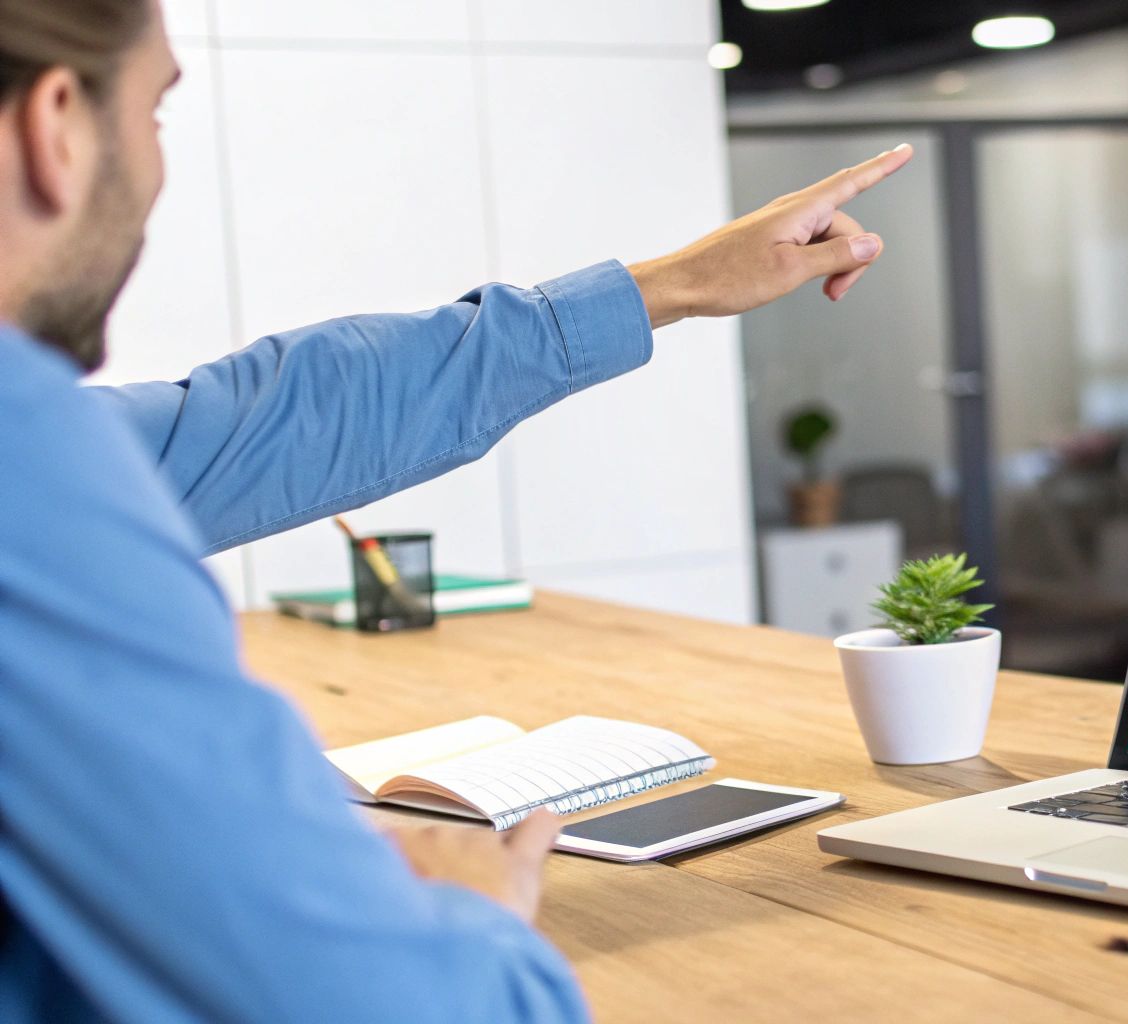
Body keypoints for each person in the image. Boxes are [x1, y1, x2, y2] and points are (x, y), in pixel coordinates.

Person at [0, 1, 910, 1020]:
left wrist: (677, 282)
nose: (156, 170)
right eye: (154, 114)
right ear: (55, 126)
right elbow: (384, 994)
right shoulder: (31, 481)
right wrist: (471, 915)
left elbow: (268, 419)